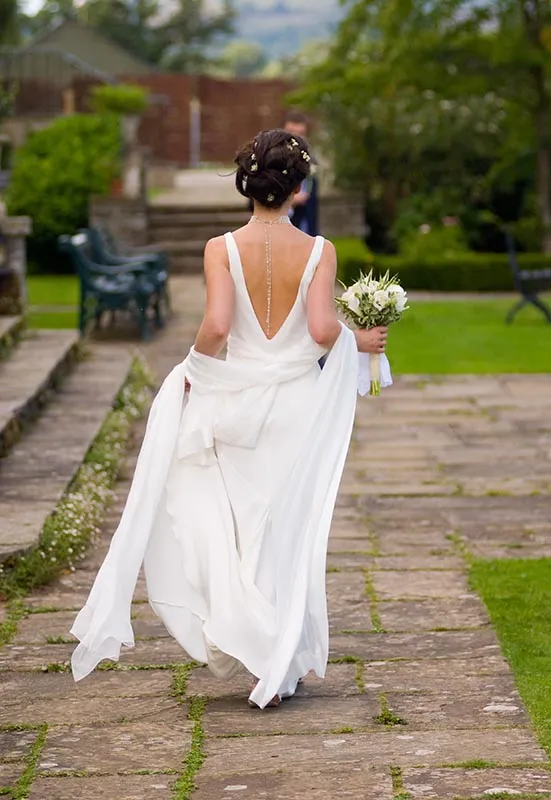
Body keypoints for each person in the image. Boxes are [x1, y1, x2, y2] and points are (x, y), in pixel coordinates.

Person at [70, 129, 388, 710]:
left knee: (237, 526)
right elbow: (321, 333)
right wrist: (360, 339)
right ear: (297, 189)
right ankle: (276, 652)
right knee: (284, 532)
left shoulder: (220, 248)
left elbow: (217, 327)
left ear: (249, 184)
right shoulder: (320, 252)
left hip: (235, 404)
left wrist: (192, 371)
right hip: (295, 405)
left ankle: (255, 640)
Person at [283, 110, 319, 236]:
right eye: (291, 133)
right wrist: (288, 200)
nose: (296, 139)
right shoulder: (272, 163)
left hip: (304, 229)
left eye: (301, 134)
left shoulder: (311, 163)